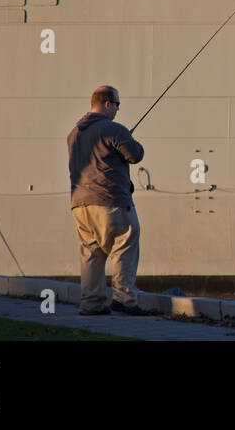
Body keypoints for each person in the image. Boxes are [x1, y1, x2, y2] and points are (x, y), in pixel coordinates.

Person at [66, 85, 152, 315]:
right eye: (117, 104)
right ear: (107, 103)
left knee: (91, 253)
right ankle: (124, 298)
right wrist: (129, 139)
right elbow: (135, 154)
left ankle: (91, 304)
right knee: (124, 243)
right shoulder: (113, 129)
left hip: (80, 204)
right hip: (111, 201)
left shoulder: (74, 134)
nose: (118, 109)